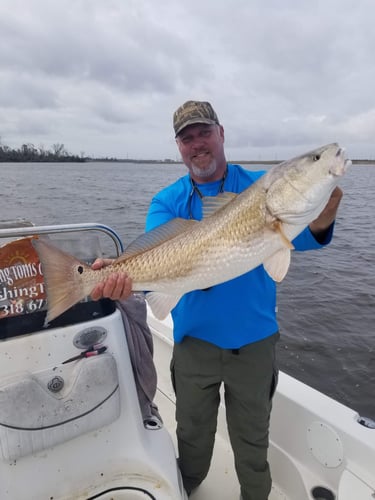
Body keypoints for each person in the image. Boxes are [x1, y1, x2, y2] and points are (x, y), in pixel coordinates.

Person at [91, 100, 343, 500]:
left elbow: (308, 237)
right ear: (179, 147)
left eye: (204, 133)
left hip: (255, 343)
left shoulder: (258, 186)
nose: (197, 144)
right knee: (191, 432)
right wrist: (116, 276)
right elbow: (160, 256)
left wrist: (325, 211)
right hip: (195, 344)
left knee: (252, 439)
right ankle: (186, 487)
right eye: (187, 138)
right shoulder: (168, 201)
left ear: (221, 134)